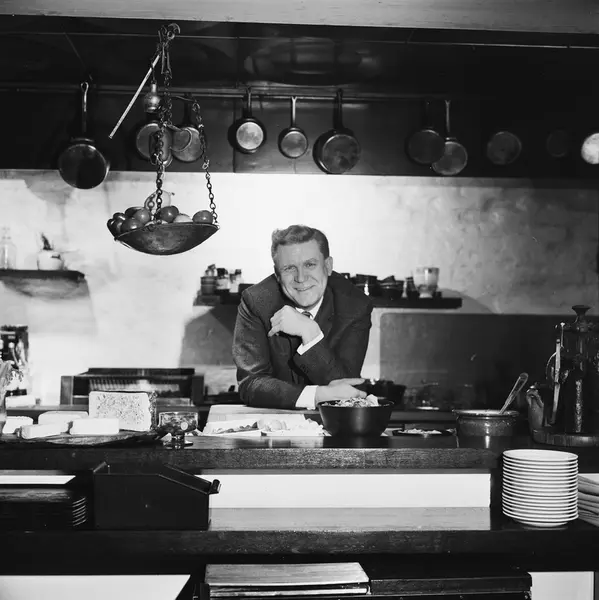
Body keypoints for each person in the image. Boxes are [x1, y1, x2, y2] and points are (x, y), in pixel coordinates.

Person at [232, 224, 373, 409]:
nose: (300, 278)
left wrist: (310, 332)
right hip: (273, 421)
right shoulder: (256, 302)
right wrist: (317, 395)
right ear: (277, 274)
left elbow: (346, 389)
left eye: (310, 265)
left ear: (328, 266)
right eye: (289, 268)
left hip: (331, 422)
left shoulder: (355, 305)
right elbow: (250, 385)